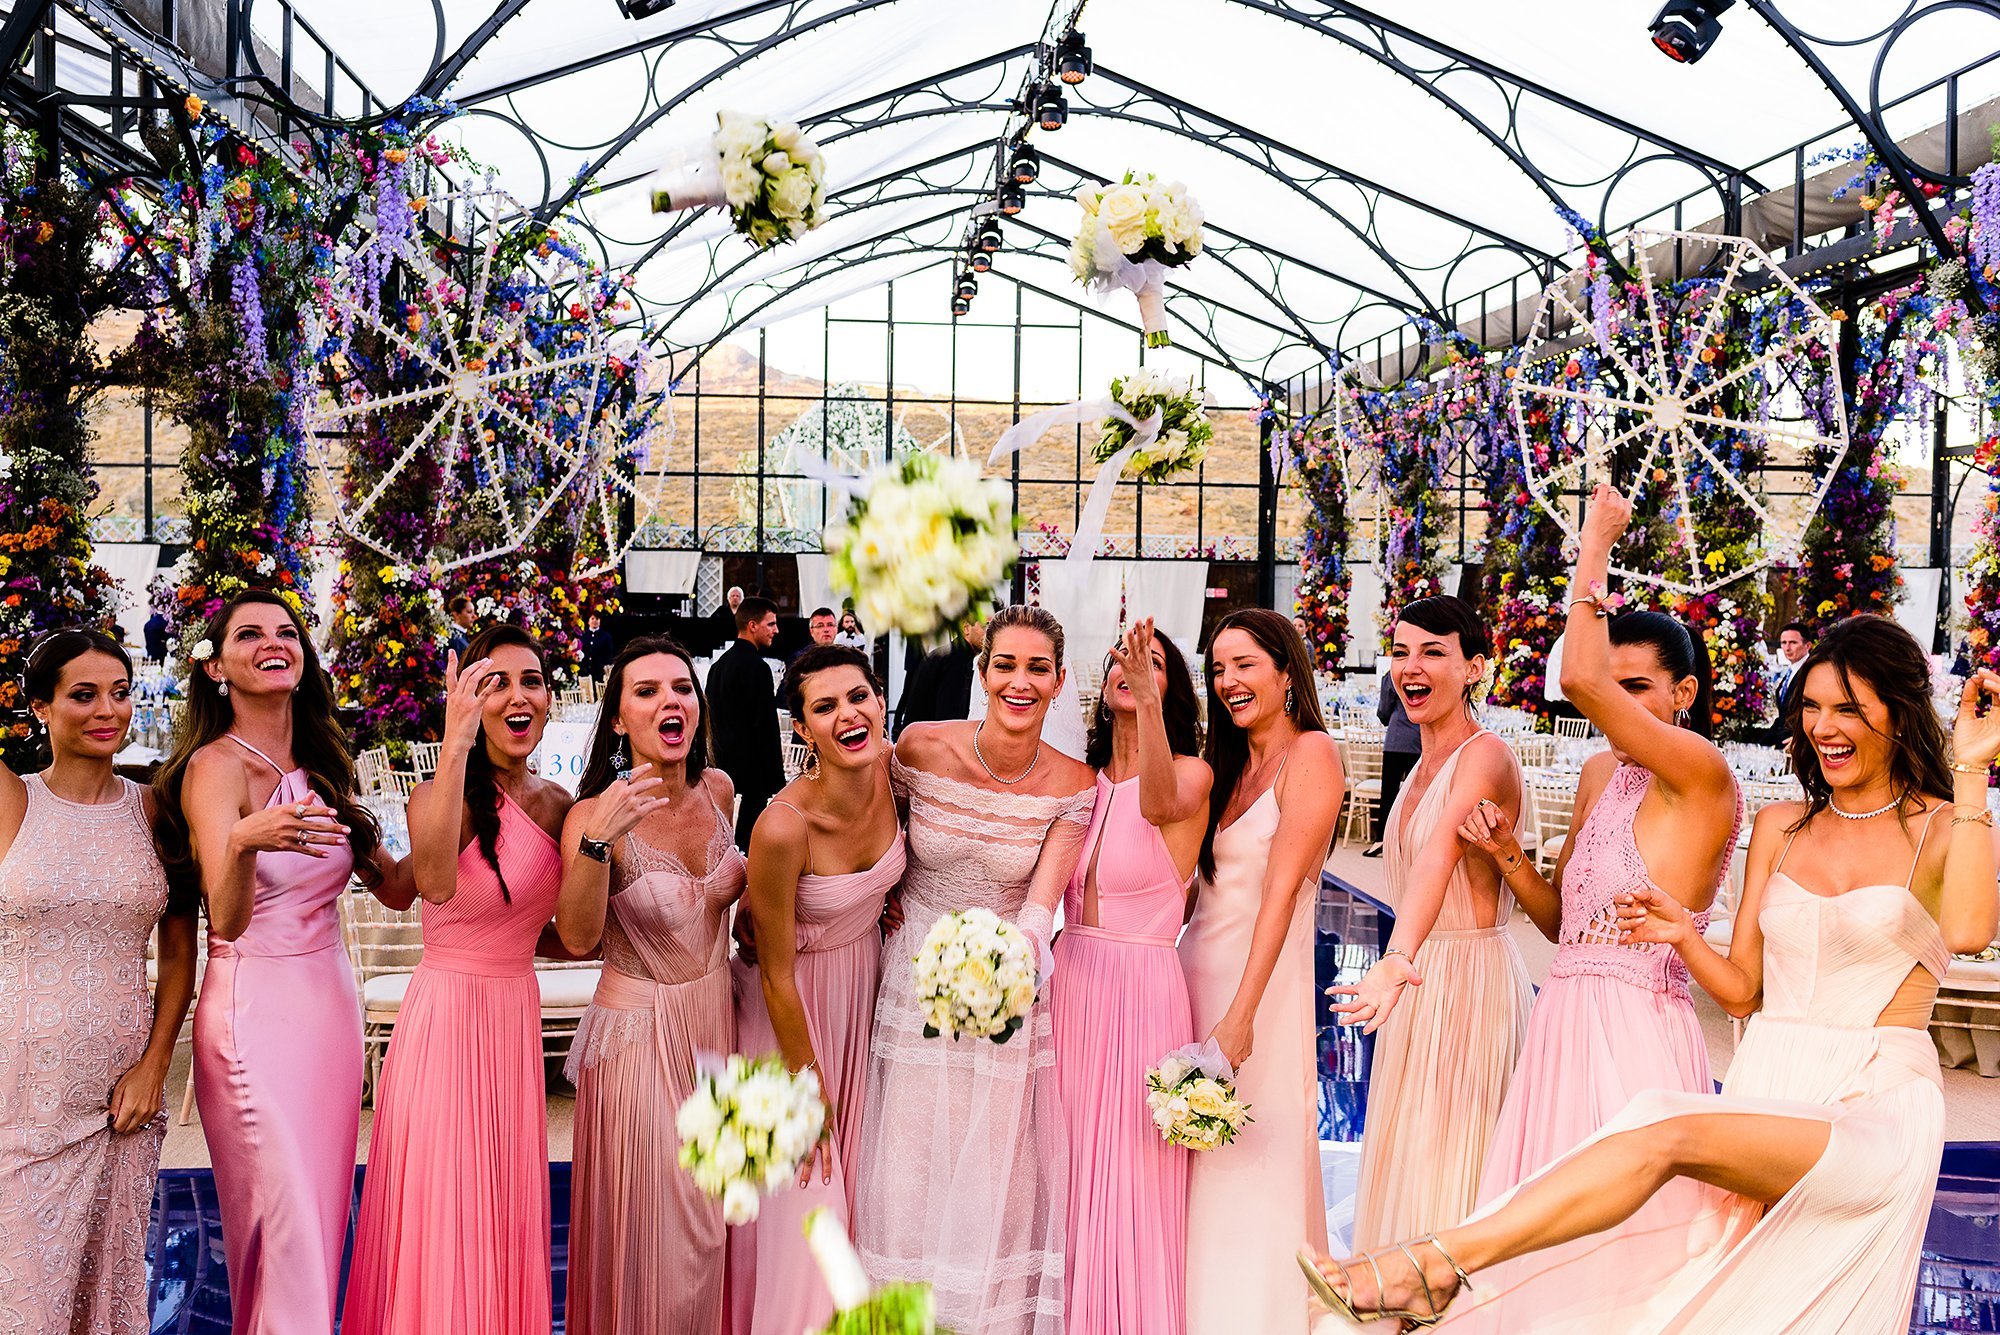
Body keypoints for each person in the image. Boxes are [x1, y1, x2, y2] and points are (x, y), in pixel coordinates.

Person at [1305, 612, 2000, 1333]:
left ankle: (1430, 1266)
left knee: (1659, 1124)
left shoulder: (1944, 826)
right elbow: (1742, 992)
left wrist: (1973, 768)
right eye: (1814, 707)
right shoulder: (1782, 825)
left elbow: (1970, 931)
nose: (1824, 727)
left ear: (1899, 712)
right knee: (1718, 1306)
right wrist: (1682, 935)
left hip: (1875, 1098)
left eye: (1848, 708)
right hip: (1773, 1080)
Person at [1451, 490, 1742, 1314]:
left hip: (1634, 1032)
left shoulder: (1703, 775)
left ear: (1684, 693)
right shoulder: (1598, 773)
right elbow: (1562, 927)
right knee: (1532, 1249)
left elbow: (1576, 674)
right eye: (1614, 686)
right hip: (1561, 1021)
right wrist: (1508, 854)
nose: (1615, 700)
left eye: (1637, 686)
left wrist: (1595, 546)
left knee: (1617, 1266)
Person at [153, 589, 407, 1334]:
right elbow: (227, 921)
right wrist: (241, 840)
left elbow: (396, 889)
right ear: (216, 667)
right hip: (254, 1015)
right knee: (282, 1220)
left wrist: (454, 769)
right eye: (250, 634)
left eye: (287, 631)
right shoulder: (214, 768)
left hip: (328, 1012)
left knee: (320, 1219)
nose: (274, 642)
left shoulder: (322, 764)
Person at [852, 605, 1097, 1335]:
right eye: (1006, 665)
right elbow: (873, 840)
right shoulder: (920, 747)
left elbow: (1041, 907)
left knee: (994, 1165)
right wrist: (879, 900)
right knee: (906, 1159)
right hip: (908, 976)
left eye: (1038, 668)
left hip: (1003, 991)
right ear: (983, 672)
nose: (1021, 681)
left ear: (1058, 682)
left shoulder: (1074, 783)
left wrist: (998, 971)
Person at [341, 627, 581, 1335]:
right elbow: (435, 885)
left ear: (549, 699)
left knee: (500, 1204)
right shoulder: (437, 793)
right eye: (494, 683)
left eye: (531, 681)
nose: (517, 696)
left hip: (512, 1017)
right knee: (443, 1201)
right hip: (444, 1019)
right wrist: (454, 744)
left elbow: (564, 930)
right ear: (468, 699)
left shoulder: (562, 805)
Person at [0, 629, 195, 1335]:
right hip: (18, 1091)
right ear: (40, 708)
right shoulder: (10, 799)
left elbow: (179, 952)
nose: (107, 710)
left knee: (103, 1296)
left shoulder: (157, 809)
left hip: (121, 1097)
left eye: (119, 692)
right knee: (23, 1298)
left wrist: (155, 1064)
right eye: (83, 694)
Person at [1330, 594, 1532, 1253]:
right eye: (1400, 652)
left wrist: (1394, 957)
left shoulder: (1485, 755)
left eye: (1433, 652)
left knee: (1451, 1164)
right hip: (1416, 979)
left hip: (1465, 980)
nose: (1410, 667)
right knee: (1408, 1155)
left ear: (1475, 667)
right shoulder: (1420, 762)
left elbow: (1437, 857)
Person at [561, 637, 738, 1335]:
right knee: (656, 1235)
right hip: (639, 1037)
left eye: (682, 687)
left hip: (715, 1027)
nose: (672, 700)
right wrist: (598, 841)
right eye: (648, 691)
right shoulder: (592, 815)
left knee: (711, 1227)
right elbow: (578, 936)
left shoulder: (718, 789)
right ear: (617, 719)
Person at [1178, 608, 1344, 1335]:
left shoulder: (1313, 754)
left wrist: (1243, 1014)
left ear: (1285, 671)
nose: (1228, 681)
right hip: (1192, 978)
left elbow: (1279, 894)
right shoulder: (1225, 767)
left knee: (1249, 1155)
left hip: (1257, 991)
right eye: (1217, 669)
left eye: (1244, 664)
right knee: (1193, 1157)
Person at [729, 644, 904, 1335]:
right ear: (802, 729)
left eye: (858, 697)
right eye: (825, 707)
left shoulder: (895, 773)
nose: (848, 715)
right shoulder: (782, 827)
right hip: (791, 1020)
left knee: (861, 1204)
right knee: (811, 1206)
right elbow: (773, 973)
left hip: (866, 997)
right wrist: (808, 1087)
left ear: (880, 702)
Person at [1052, 618, 1212, 1335]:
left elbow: (1156, 804)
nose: (1133, 667)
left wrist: (1147, 700)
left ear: (1170, 691)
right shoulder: (1078, 783)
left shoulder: (1192, 774)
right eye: (1123, 656)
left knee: (1129, 1170)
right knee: (1065, 1157)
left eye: (1153, 663)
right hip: (1070, 981)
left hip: (1143, 986)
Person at [706, 596, 784, 850]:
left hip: (720, 766)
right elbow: (766, 727)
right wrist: (776, 779)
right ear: (752, 625)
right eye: (771, 624)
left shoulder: (717, 667)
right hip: (752, 774)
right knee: (748, 845)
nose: (776, 630)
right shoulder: (758, 668)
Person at [894, 619, 983, 734]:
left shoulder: (949, 655)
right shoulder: (958, 661)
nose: (991, 633)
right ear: (966, 628)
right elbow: (950, 721)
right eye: (985, 626)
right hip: (929, 739)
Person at [1367, 672, 1420, 857]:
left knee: (1389, 793)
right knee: (1416, 795)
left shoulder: (1392, 675)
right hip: (1420, 739)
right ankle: (1409, 841)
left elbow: (1383, 712)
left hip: (1396, 739)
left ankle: (1382, 840)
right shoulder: (1425, 672)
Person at [1756, 621, 1813, 746]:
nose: (1787, 648)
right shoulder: (1790, 671)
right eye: (1783, 643)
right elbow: (1783, 716)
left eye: (1793, 643)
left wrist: (1803, 739)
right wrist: (1760, 744)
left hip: (1800, 744)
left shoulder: (1812, 672)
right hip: (1784, 743)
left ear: (1808, 645)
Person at [708, 585, 746, 655]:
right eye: (733, 596)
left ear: (741, 599)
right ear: (729, 598)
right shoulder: (721, 610)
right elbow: (711, 623)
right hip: (722, 643)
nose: (735, 598)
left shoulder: (745, 611)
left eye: (737, 596)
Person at [582, 611, 616, 679]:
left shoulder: (606, 636)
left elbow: (609, 655)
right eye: (592, 618)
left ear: (600, 621)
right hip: (584, 671)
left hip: (599, 672)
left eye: (597, 619)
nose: (595, 621)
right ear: (588, 621)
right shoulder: (583, 634)